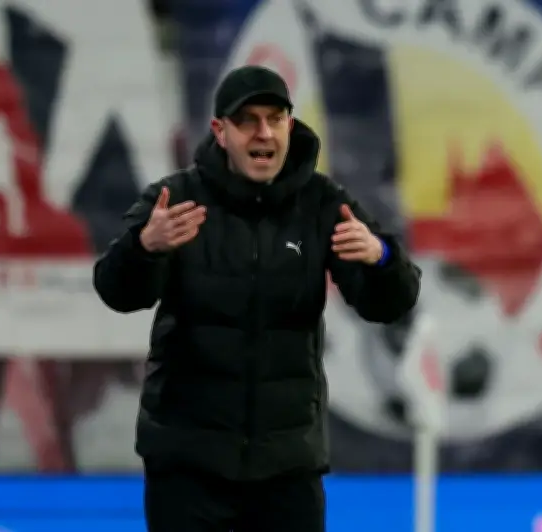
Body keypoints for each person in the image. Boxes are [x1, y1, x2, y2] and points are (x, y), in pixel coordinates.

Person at [92, 65, 421, 532]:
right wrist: (144, 247)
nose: (263, 132)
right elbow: (116, 291)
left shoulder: (324, 203)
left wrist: (381, 257)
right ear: (219, 131)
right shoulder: (175, 200)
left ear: (290, 125)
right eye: (247, 120)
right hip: (188, 465)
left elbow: (390, 305)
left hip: (286, 467)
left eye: (274, 118)